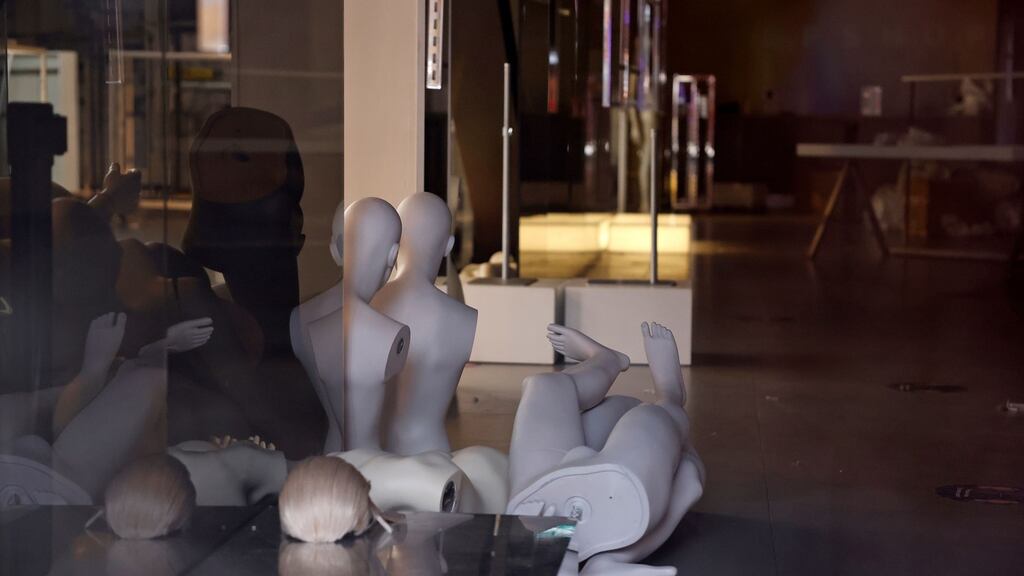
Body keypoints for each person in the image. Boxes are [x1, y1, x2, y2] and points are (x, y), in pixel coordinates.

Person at [507, 323, 704, 575]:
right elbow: (688, 482)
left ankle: (606, 360)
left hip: (535, 505)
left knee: (544, 386)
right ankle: (670, 395)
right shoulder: (605, 552)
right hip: (606, 511)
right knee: (649, 420)